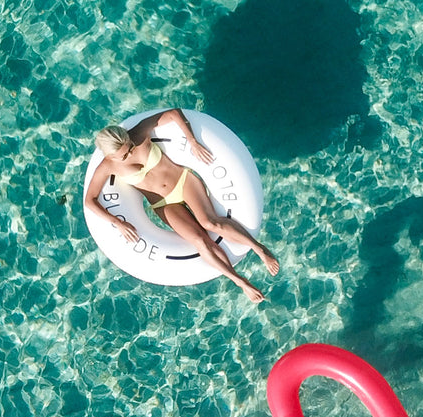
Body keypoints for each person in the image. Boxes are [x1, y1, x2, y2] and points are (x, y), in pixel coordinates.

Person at [85, 109, 279, 302]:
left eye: (129, 147)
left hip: (183, 181)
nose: (130, 151)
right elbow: (90, 200)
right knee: (200, 241)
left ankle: (259, 248)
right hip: (163, 203)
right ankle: (240, 282)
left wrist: (192, 141)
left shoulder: (138, 132)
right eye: (124, 155)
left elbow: (174, 113)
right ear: (110, 155)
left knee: (210, 223)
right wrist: (117, 222)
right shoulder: (106, 167)